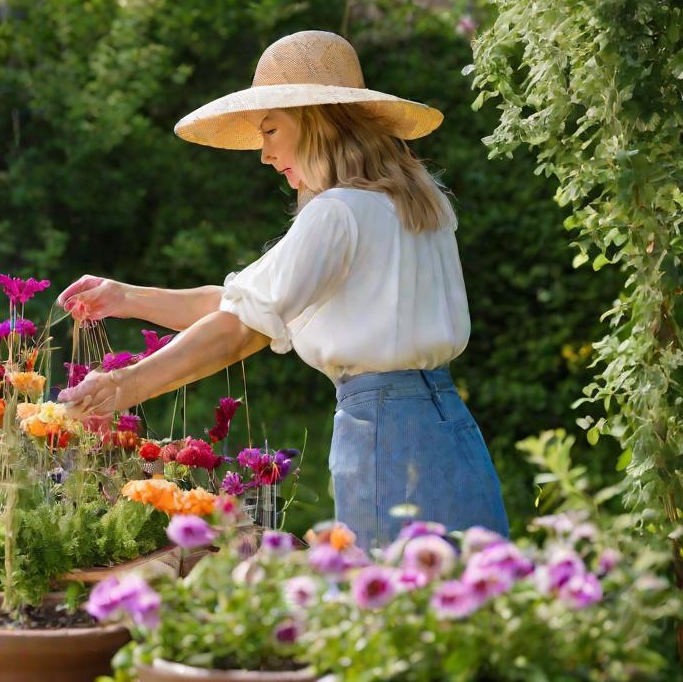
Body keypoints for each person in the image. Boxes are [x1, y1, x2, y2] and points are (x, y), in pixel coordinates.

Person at [57, 30, 508, 548]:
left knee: (389, 605)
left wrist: (124, 387)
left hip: (384, 434)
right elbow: (240, 302)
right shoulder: (420, 203)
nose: (264, 154)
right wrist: (127, 297)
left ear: (317, 121)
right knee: (471, 593)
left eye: (271, 130)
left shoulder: (336, 212)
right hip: (450, 425)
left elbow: (238, 331)